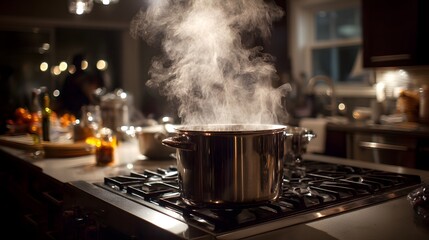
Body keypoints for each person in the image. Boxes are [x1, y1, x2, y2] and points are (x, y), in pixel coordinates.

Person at [58, 54, 104, 119]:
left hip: (86, 113)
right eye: (78, 62)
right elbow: (64, 98)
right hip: (71, 113)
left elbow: (92, 98)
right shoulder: (69, 79)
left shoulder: (87, 78)